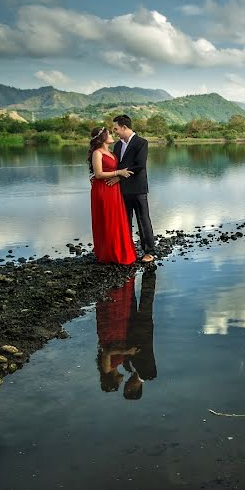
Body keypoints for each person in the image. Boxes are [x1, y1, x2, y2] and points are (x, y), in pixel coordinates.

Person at [110, 115, 156, 263]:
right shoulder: (117, 145)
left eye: (116, 128)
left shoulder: (141, 142)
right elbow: (116, 166)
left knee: (143, 220)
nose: (115, 131)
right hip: (121, 190)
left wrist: (120, 177)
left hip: (138, 188)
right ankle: (127, 250)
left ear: (124, 127)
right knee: (125, 221)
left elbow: (140, 165)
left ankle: (149, 251)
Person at [88, 127, 136, 265]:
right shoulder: (97, 153)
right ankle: (108, 253)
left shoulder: (111, 152)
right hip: (103, 190)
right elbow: (98, 174)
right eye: (109, 133)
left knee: (116, 219)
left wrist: (119, 176)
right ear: (102, 137)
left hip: (114, 189)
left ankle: (118, 251)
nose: (111, 135)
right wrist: (118, 173)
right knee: (107, 219)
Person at [95, 275, 138, 392]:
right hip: (118, 336)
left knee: (112, 312)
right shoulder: (117, 366)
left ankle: (114, 288)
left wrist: (126, 351)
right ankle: (120, 286)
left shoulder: (107, 369)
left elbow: (107, 353)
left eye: (119, 384)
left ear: (113, 380)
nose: (121, 382)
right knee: (120, 312)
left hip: (110, 335)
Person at [122, 272, 157, 400]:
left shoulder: (127, 367)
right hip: (144, 330)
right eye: (127, 387)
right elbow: (148, 367)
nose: (126, 383)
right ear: (132, 388)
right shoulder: (149, 374)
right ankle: (149, 270)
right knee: (147, 297)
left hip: (130, 329)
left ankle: (129, 275)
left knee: (130, 300)